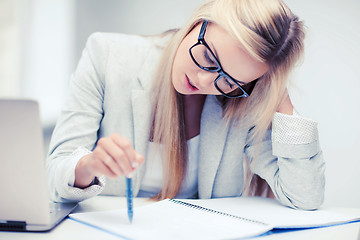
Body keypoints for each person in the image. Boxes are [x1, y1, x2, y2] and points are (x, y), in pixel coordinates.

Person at [47, 0, 325, 210]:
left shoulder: (244, 99)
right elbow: (55, 176)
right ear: (198, 22)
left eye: (228, 80)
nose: (204, 80)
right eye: (207, 56)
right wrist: (89, 165)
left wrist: (278, 95)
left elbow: (304, 197)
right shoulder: (107, 56)